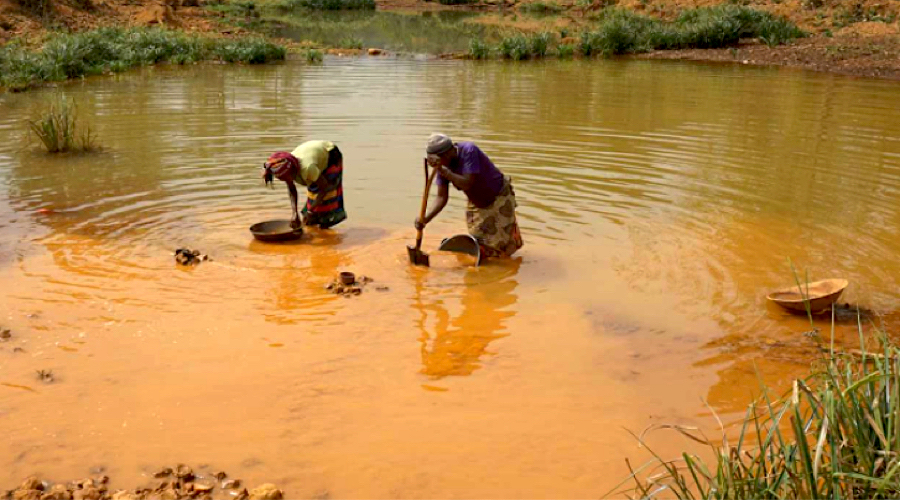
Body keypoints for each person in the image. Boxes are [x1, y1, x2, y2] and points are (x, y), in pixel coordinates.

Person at [415, 133, 523, 258]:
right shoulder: (442, 166)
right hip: (477, 201)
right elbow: (441, 198)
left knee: (500, 247)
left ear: (448, 153)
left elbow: (467, 183)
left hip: (498, 198)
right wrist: (425, 219)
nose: (437, 164)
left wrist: (444, 171)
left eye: (438, 161)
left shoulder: (468, 151)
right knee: (477, 241)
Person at [262, 140, 347, 230]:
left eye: (287, 178)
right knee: (313, 198)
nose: (286, 181)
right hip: (313, 158)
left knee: (328, 197)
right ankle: (312, 222)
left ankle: (326, 228)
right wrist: (295, 213)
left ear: (293, 171)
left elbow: (324, 188)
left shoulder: (307, 168)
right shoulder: (286, 166)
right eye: (283, 179)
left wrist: (310, 211)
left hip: (331, 155)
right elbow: (291, 189)